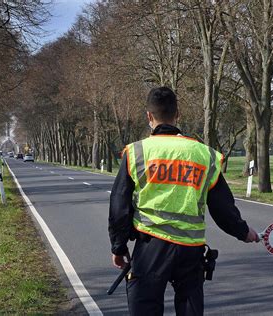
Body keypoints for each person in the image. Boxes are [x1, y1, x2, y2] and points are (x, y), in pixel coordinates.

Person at [108, 86, 259, 315]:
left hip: (151, 246)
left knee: (145, 307)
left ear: (149, 116)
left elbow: (119, 205)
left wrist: (118, 247)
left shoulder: (136, 153)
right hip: (191, 250)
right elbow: (222, 207)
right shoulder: (204, 155)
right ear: (177, 115)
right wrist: (243, 231)